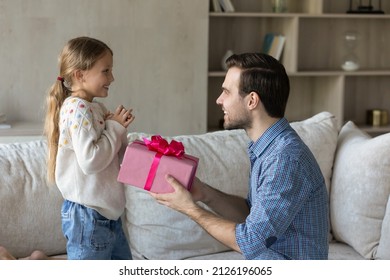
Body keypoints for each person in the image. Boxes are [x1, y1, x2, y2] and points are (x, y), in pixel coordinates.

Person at [151, 53, 329, 260]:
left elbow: (250, 241)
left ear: (252, 100)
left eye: (226, 92)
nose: (219, 100)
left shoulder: (284, 158)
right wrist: (205, 193)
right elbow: (252, 215)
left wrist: (190, 208)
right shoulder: (267, 148)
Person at [44, 36, 135, 260]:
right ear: (80, 74)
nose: (112, 78)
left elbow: (111, 155)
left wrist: (119, 131)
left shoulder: (94, 108)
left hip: (107, 216)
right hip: (89, 217)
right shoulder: (77, 108)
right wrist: (114, 128)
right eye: (106, 71)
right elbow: (91, 161)